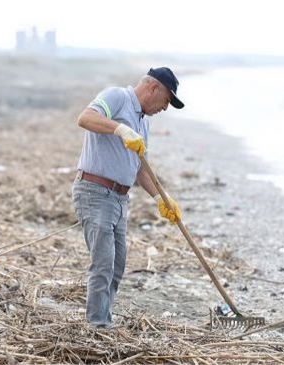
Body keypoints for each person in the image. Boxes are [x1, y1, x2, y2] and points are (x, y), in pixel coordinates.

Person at [72, 67, 185, 327]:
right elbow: (85, 118)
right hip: (94, 192)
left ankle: (103, 319)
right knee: (103, 263)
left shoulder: (143, 123)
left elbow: (139, 169)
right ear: (154, 88)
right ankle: (97, 327)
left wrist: (161, 198)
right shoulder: (117, 97)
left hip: (120, 199)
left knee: (117, 264)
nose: (165, 108)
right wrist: (120, 130)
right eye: (167, 100)